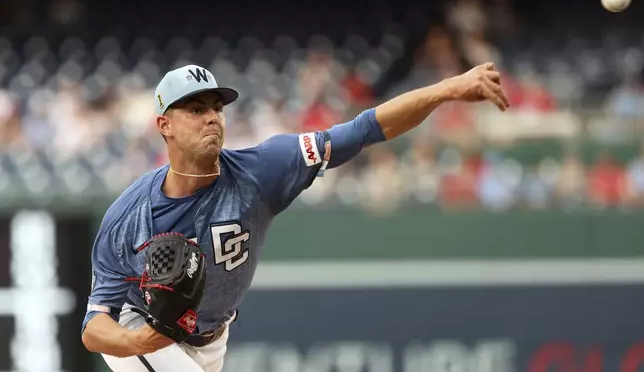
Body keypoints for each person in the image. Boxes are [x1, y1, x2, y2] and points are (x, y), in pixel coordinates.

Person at [81, 62, 509, 371]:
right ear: (164, 125)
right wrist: (139, 340)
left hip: (214, 339)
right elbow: (95, 324)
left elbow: (362, 131)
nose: (212, 116)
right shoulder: (130, 216)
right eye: (194, 109)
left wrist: (447, 88)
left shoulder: (263, 170)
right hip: (144, 330)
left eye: (216, 106)